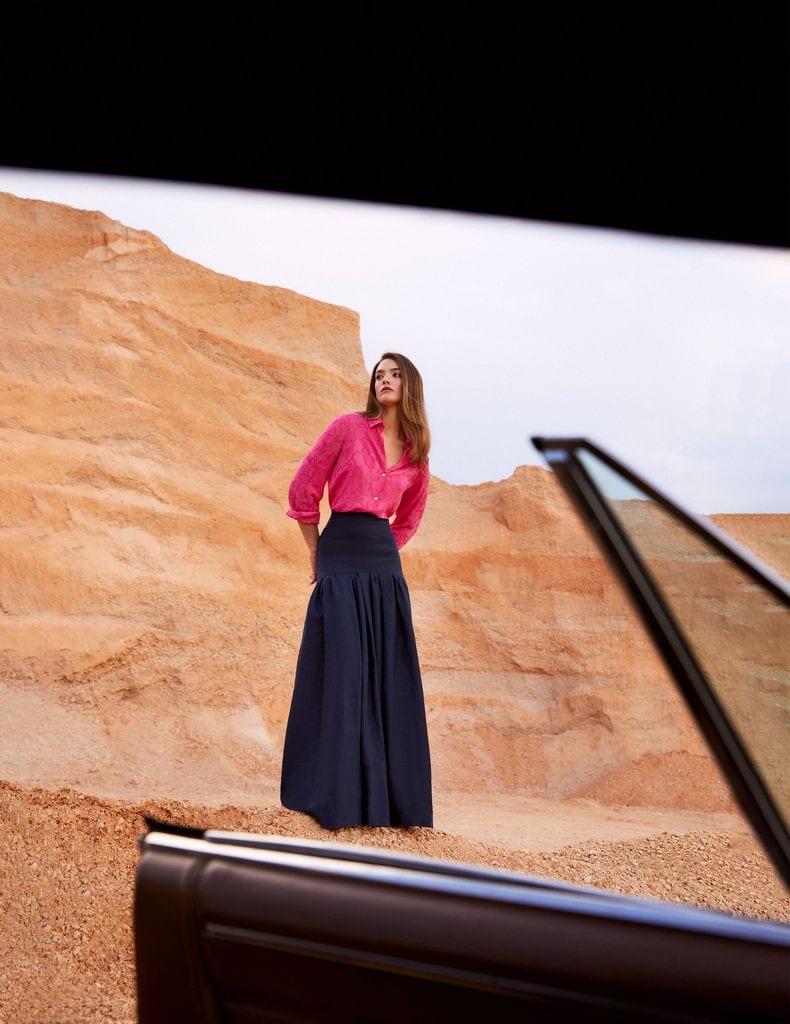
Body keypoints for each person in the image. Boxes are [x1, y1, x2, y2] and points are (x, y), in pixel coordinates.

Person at [280, 352, 433, 829]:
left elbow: (408, 520)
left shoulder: (416, 453)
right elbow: (303, 489)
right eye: (379, 375)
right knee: (343, 672)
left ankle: (389, 805)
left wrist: (383, 549)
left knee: (387, 674)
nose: (385, 381)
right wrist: (315, 552)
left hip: (383, 564)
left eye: (394, 375)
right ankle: (333, 798)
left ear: (410, 387)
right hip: (340, 551)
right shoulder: (347, 427)